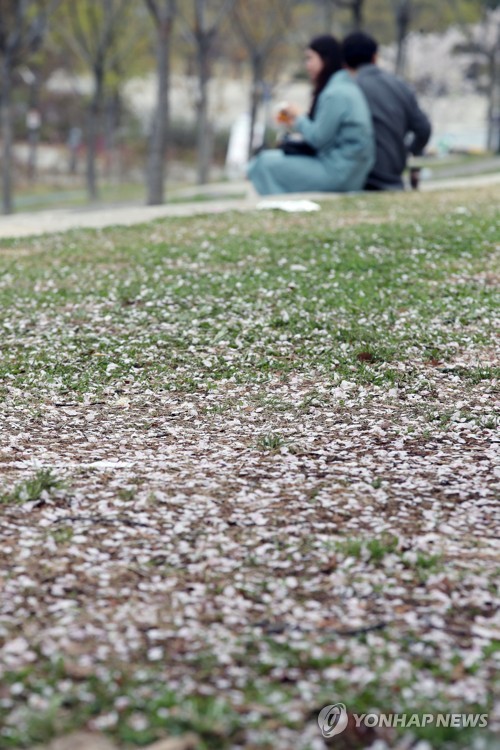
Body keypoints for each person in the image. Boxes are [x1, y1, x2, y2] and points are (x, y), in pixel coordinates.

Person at [247, 35, 375, 196]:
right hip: (349, 171)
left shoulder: (335, 93)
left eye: (310, 59)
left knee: (263, 163)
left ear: (325, 59)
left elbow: (318, 139)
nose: (307, 65)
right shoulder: (344, 86)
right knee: (263, 161)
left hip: (339, 174)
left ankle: (277, 206)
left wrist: (298, 116)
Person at [341, 31, 431, 191]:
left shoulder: (347, 90)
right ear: (375, 57)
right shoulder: (400, 86)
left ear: (344, 63)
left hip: (358, 178)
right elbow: (424, 129)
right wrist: (407, 152)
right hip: (393, 176)